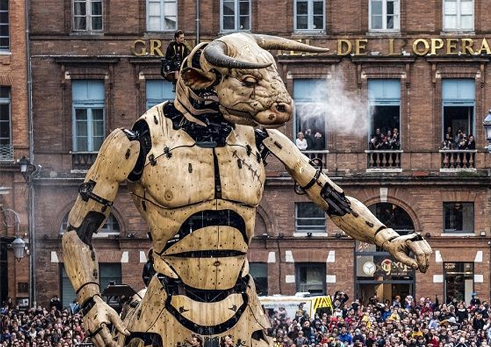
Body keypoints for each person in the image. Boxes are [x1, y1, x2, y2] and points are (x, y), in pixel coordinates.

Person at [61, 33, 431, 347]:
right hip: (164, 310)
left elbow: (333, 199)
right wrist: (91, 301)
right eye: (249, 83)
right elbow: (77, 230)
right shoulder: (135, 141)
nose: (278, 103)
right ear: (203, 82)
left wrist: (388, 237)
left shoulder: (260, 138)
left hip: (243, 306)